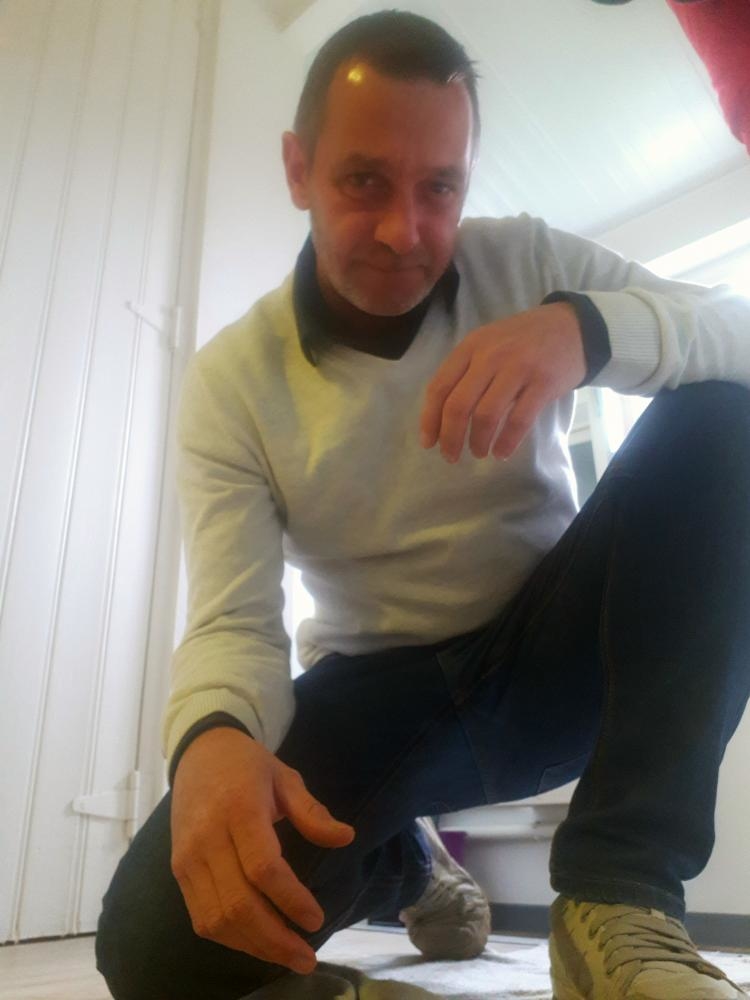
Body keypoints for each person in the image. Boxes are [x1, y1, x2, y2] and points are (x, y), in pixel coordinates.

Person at [95, 10, 750, 1000]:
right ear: (298, 169)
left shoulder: (528, 263)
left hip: (557, 659)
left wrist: (585, 330)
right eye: (364, 181)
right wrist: (212, 736)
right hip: (377, 700)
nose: (405, 232)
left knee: (727, 411)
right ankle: (406, 866)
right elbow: (234, 620)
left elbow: (735, 328)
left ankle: (621, 896)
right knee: (152, 945)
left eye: (440, 188)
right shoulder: (231, 381)